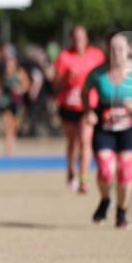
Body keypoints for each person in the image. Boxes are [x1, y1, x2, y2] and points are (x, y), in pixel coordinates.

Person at [82, 31, 132, 229]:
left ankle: (122, 212)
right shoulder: (98, 73)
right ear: (108, 50)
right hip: (104, 127)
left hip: (129, 126)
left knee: (125, 169)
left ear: (129, 50)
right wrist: (89, 111)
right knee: (106, 171)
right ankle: (105, 200)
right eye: (113, 49)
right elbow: (85, 92)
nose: (116, 53)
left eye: (121, 49)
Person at [53, 25, 105, 194]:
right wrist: (67, 78)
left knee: (85, 141)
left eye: (81, 37)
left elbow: (104, 79)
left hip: (88, 106)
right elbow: (56, 85)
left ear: (87, 38)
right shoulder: (64, 57)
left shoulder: (96, 56)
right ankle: (70, 170)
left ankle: (83, 179)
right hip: (68, 106)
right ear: (71, 39)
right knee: (72, 142)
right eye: (75, 37)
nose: (78, 41)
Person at [0, 52, 29, 156]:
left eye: (11, 64)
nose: (9, 66)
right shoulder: (3, 74)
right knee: (7, 125)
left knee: (15, 126)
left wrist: (19, 90)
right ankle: (8, 149)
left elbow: (26, 85)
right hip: (6, 102)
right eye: (8, 64)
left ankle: (12, 143)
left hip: (17, 102)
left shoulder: (20, 73)